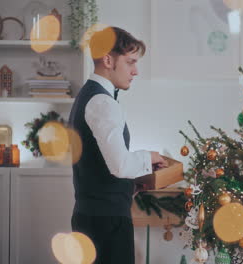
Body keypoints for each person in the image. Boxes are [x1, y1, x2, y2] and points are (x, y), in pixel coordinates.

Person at [68, 26, 167, 264]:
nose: (136, 71)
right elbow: (121, 165)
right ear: (108, 60)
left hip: (90, 217)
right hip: (107, 224)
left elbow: (97, 164)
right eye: (131, 62)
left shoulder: (86, 96)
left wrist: (130, 186)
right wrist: (150, 156)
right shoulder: (103, 102)